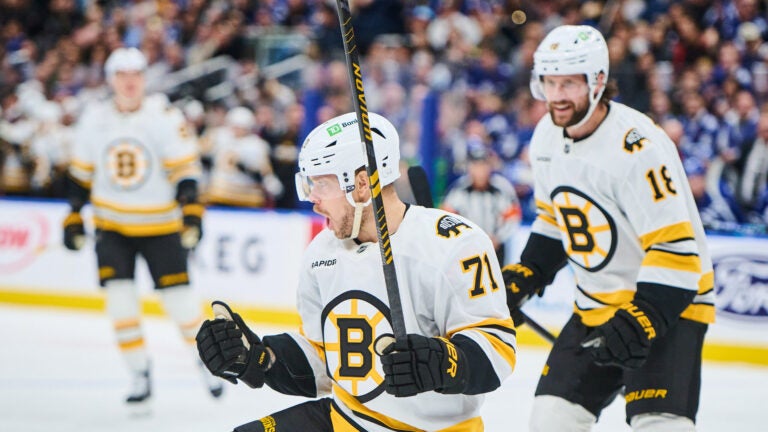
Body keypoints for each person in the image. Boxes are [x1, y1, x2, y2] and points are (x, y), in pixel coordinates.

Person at [196, 112, 517, 431]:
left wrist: (441, 363)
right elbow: (327, 360)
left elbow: (498, 352)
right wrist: (260, 358)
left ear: (362, 184)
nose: (313, 199)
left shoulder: (455, 243)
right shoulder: (322, 253)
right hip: (346, 419)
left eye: (321, 183)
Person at [502, 25, 715, 431]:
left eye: (569, 83)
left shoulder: (638, 147)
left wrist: (644, 317)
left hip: (668, 308)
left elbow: (676, 249)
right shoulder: (545, 137)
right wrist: (528, 273)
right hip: (595, 306)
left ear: (597, 82)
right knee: (550, 421)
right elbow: (556, 218)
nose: (557, 95)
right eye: (549, 81)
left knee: (659, 424)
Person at [62, 47, 223, 408]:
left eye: (135, 74)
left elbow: (185, 172)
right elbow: (79, 175)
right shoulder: (95, 118)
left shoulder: (164, 116)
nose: (130, 81)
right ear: (111, 80)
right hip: (112, 225)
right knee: (120, 306)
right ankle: (138, 373)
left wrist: (191, 211)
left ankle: (208, 364)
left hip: (161, 225)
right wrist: (73, 215)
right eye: (122, 75)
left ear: (144, 78)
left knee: (182, 306)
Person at [441, 142, 522, 265]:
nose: (480, 170)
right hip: (466, 250)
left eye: (483, 165)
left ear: (489, 166)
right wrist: (464, 240)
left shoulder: (502, 188)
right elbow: (446, 218)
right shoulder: (459, 189)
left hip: (496, 248)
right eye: (476, 165)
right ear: (469, 167)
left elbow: (513, 217)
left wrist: (498, 238)